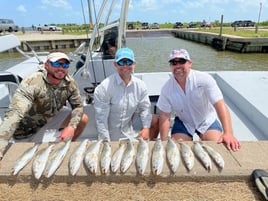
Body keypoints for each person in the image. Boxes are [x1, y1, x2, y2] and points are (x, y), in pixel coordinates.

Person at [0, 50, 88, 160]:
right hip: (29, 128)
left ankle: (64, 148)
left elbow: (78, 106)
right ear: (46, 65)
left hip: (50, 116)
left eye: (65, 65)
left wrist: (71, 126)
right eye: (56, 64)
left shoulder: (69, 82)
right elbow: (15, 114)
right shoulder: (33, 82)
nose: (61, 68)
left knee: (82, 119)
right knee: (31, 160)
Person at [157, 48, 241, 152]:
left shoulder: (204, 79)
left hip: (206, 120)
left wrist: (228, 133)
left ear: (190, 63)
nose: (177, 66)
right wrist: (164, 141)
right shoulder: (166, 88)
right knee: (178, 150)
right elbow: (165, 115)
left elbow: (220, 104)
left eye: (181, 61)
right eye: (174, 63)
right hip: (184, 122)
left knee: (216, 147)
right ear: (170, 66)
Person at [94, 47, 158, 141]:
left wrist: (146, 128)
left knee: (155, 119)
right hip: (110, 136)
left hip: (129, 133)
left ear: (134, 64)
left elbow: (145, 109)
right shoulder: (104, 87)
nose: (125, 66)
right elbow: (101, 120)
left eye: (128, 62)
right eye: (121, 62)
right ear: (115, 64)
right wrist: (107, 143)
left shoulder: (140, 86)